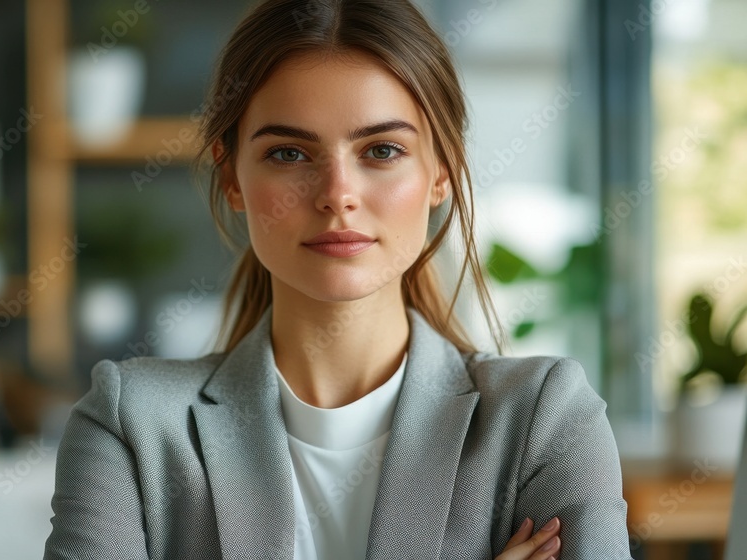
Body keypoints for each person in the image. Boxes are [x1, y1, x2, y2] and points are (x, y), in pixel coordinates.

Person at [43, 0, 633, 558]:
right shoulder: (128, 426)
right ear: (231, 180)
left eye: (381, 150)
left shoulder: (544, 418)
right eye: (289, 155)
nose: (337, 196)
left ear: (441, 174)